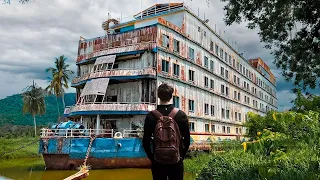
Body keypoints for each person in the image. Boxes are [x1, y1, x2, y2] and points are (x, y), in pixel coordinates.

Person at [142, 83, 190, 180]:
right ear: (171, 96)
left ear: (158, 96)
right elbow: (187, 141)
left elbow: (145, 142)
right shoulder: (181, 115)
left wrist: (153, 159)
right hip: (176, 161)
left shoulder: (151, 116)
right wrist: (181, 158)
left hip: (158, 162)